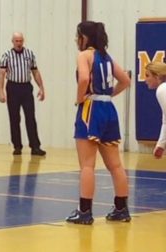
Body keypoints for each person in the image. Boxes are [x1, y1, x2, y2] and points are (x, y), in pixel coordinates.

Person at [66, 21, 131, 224]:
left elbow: (84, 79)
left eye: (78, 36)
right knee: (115, 165)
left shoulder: (84, 55)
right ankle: (121, 208)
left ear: (84, 37)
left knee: (87, 165)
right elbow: (126, 80)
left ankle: (84, 212)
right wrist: (108, 93)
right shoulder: (107, 57)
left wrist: (80, 98)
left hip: (91, 109)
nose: (76, 40)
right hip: (109, 109)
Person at [0, 32, 46, 156]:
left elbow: (35, 72)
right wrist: (1, 91)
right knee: (14, 118)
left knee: (30, 117)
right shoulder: (6, 55)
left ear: (23, 41)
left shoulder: (29, 54)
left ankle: (35, 146)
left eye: (20, 41)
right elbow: (2, 74)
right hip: (13, 87)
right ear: (12, 41)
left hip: (26, 87)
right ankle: (17, 146)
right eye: (16, 41)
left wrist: (41, 87)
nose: (19, 43)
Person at [145, 62, 166, 158]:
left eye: (147, 75)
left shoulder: (162, 89)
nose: (145, 80)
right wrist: (161, 145)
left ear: (157, 76)